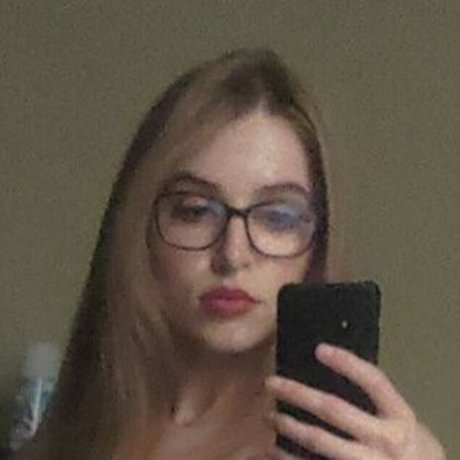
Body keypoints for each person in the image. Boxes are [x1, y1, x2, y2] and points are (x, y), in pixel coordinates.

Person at [13, 48, 446, 460]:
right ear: (139, 227)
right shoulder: (73, 429)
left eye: (277, 217)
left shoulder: (352, 448)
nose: (233, 254)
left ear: (319, 239)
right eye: (195, 211)